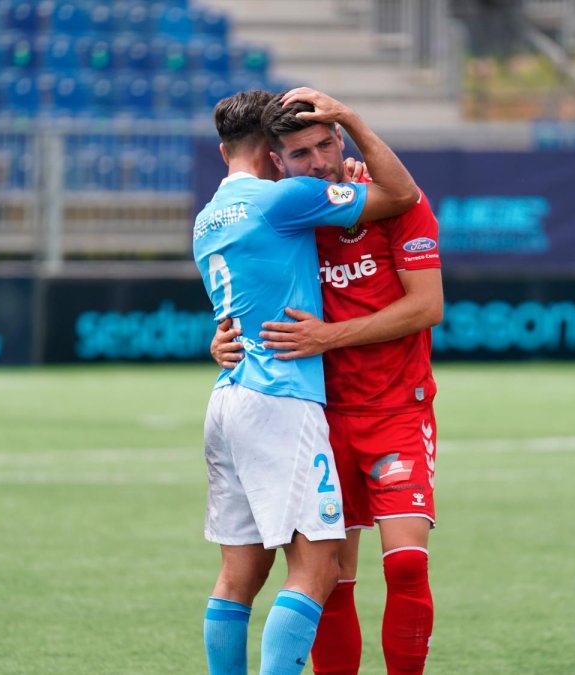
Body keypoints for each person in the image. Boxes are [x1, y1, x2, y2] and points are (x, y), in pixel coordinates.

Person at [211, 94, 444, 674]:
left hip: (395, 408)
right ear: (275, 160)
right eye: (300, 152)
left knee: (407, 565)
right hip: (319, 414)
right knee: (331, 580)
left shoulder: (392, 202)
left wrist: (328, 338)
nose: (317, 161)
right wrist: (220, 338)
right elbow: (250, 289)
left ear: (342, 140)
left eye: (325, 144)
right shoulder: (295, 212)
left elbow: (428, 307)